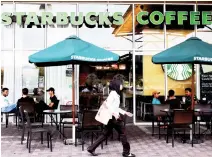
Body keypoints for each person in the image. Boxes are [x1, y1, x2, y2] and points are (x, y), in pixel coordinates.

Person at [87, 80, 135, 157]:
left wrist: (125, 113)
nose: (121, 86)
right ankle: (126, 152)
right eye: (120, 84)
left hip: (111, 117)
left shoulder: (115, 94)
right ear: (117, 85)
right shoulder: (113, 94)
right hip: (113, 118)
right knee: (123, 133)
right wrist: (114, 114)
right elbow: (107, 105)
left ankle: (91, 148)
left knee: (105, 134)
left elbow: (115, 107)